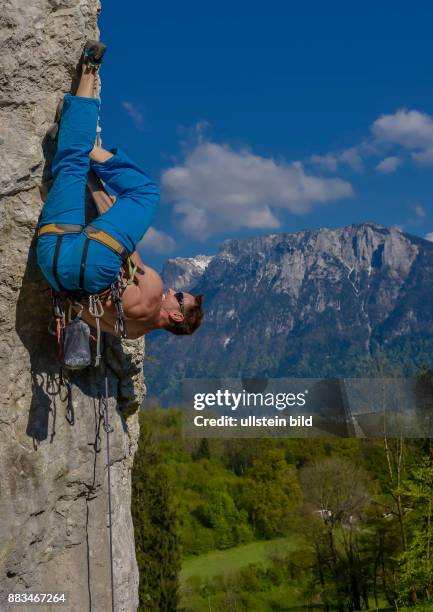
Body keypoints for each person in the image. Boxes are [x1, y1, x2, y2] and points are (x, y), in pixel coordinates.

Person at [37, 41, 203, 339]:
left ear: (176, 314)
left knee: (145, 192)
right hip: (54, 264)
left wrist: (100, 189)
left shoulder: (152, 290)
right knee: (71, 167)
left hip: (93, 261)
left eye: (179, 296)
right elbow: (79, 310)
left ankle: (88, 133)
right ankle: (83, 100)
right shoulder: (131, 333)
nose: (173, 289)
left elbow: (117, 242)